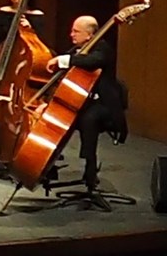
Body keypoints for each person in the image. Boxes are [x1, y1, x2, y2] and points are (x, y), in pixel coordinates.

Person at [37, 15, 128, 191]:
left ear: (89, 34)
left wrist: (63, 60)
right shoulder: (79, 49)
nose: (71, 34)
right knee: (70, 115)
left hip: (105, 104)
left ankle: (90, 169)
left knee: (88, 118)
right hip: (85, 101)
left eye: (76, 31)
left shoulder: (102, 48)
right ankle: (48, 163)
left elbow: (93, 62)